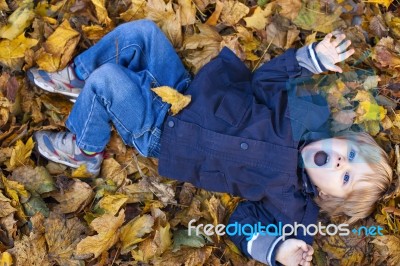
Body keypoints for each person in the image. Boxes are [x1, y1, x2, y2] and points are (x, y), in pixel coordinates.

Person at [28, 19, 393, 266]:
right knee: (143, 33)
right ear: (339, 138)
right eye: (348, 153)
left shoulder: (293, 207)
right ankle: (78, 76)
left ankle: (85, 147)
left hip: (163, 134)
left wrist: (276, 248)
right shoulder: (302, 117)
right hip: (186, 94)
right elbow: (264, 82)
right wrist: (310, 59)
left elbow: (240, 223)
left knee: (110, 82)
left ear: (328, 198)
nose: (341, 163)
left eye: (345, 177)